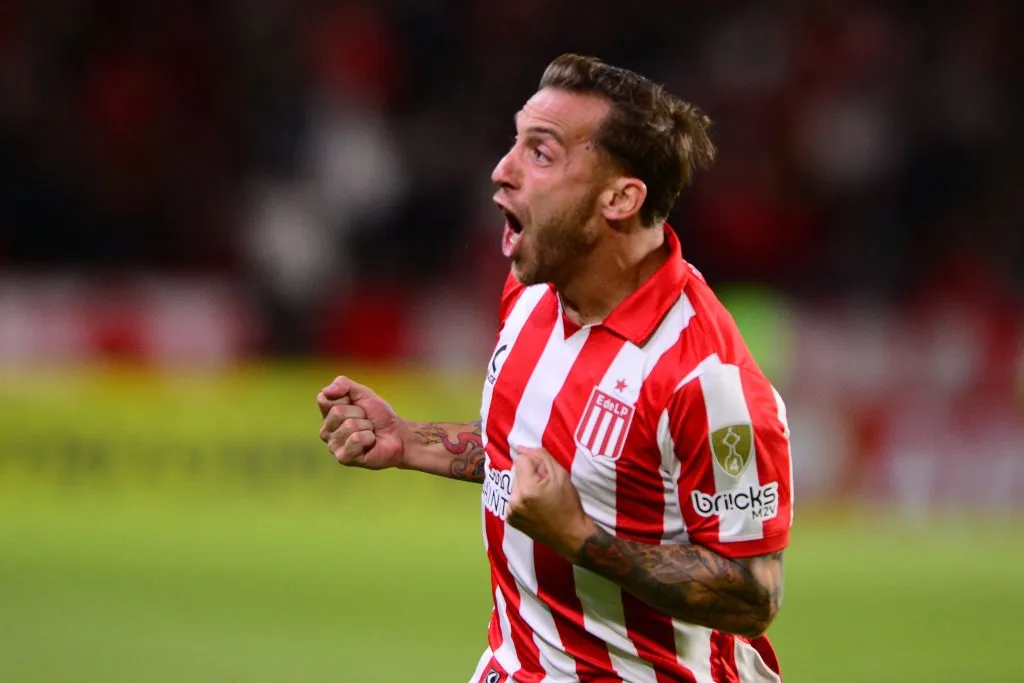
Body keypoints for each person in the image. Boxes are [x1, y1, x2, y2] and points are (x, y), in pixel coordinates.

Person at [317, 54, 793, 683]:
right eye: (515, 142)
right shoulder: (532, 293)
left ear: (620, 198)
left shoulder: (707, 378)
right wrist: (409, 440)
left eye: (540, 153)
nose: (502, 169)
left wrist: (582, 539)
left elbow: (754, 595)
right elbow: (541, 455)